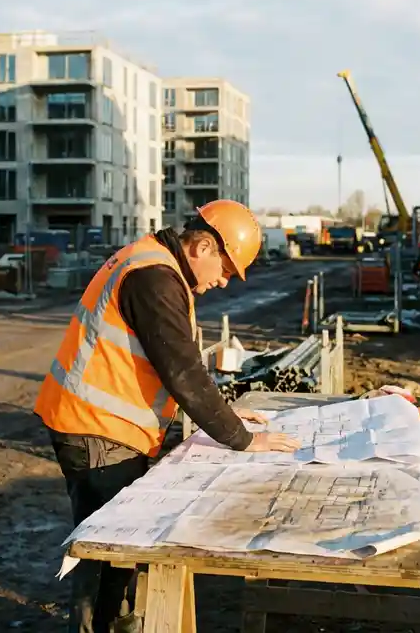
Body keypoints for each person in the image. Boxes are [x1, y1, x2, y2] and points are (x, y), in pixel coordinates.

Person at [34, 199, 301, 633]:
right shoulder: (154, 278)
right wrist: (242, 439)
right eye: (227, 270)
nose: (224, 282)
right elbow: (181, 370)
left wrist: (226, 414)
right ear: (203, 248)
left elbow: (177, 365)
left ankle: (113, 622)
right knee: (106, 552)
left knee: (116, 548)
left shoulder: (154, 265)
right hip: (97, 430)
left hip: (103, 428)